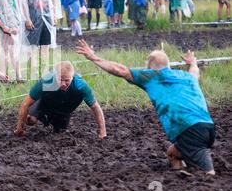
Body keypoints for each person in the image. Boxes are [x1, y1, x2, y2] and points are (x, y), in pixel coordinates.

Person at [76, 39, 216, 175]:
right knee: (172, 154)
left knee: (207, 174)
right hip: (208, 127)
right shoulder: (186, 76)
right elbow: (195, 72)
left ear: (150, 67)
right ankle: (180, 176)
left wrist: (93, 57)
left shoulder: (152, 76)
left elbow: (120, 70)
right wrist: (193, 63)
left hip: (190, 129)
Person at [14, 61, 106, 138]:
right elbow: (25, 103)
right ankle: (41, 116)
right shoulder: (46, 81)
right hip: (45, 103)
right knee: (30, 120)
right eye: (60, 79)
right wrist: (19, 128)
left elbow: (96, 107)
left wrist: (102, 132)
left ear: (72, 77)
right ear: (55, 76)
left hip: (64, 109)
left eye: (66, 80)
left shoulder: (80, 86)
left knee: (60, 132)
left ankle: (52, 120)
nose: (63, 84)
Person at [18, 0, 62, 78]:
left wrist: (54, 15)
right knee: (32, 48)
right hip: (32, 19)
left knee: (45, 46)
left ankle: (44, 73)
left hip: (46, 19)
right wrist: (26, 18)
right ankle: (33, 74)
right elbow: (23, 1)